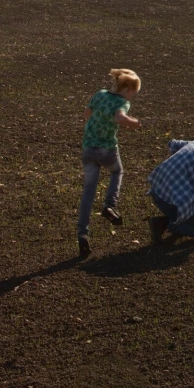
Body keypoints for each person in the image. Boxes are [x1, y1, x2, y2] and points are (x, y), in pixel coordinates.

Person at [77, 68, 143, 258]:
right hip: (107, 150)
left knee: (88, 191)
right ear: (129, 89)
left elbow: (87, 113)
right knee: (117, 172)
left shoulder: (100, 94)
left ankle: (82, 233)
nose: (132, 98)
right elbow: (119, 118)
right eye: (134, 94)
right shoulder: (122, 102)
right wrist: (135, 123)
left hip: (88, 148)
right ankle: (109, 205)